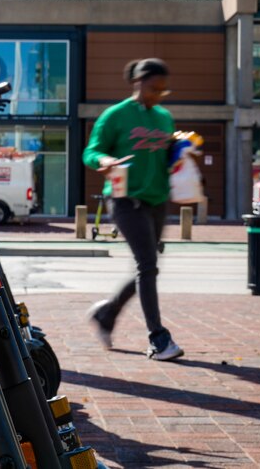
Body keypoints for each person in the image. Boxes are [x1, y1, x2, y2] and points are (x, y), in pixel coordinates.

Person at [82, 58, 183, 361]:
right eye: (153, 88)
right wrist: (103, 161)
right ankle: (158, 338)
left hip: (157, 200)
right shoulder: (115, 115)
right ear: (138, 82)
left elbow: (166, 157)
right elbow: (92, 150)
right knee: (148, 266)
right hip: (126, 201)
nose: (158, 95)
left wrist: (181, 152)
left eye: (163, 91)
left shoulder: (164, 117)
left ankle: (106, 314)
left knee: (147, 267)